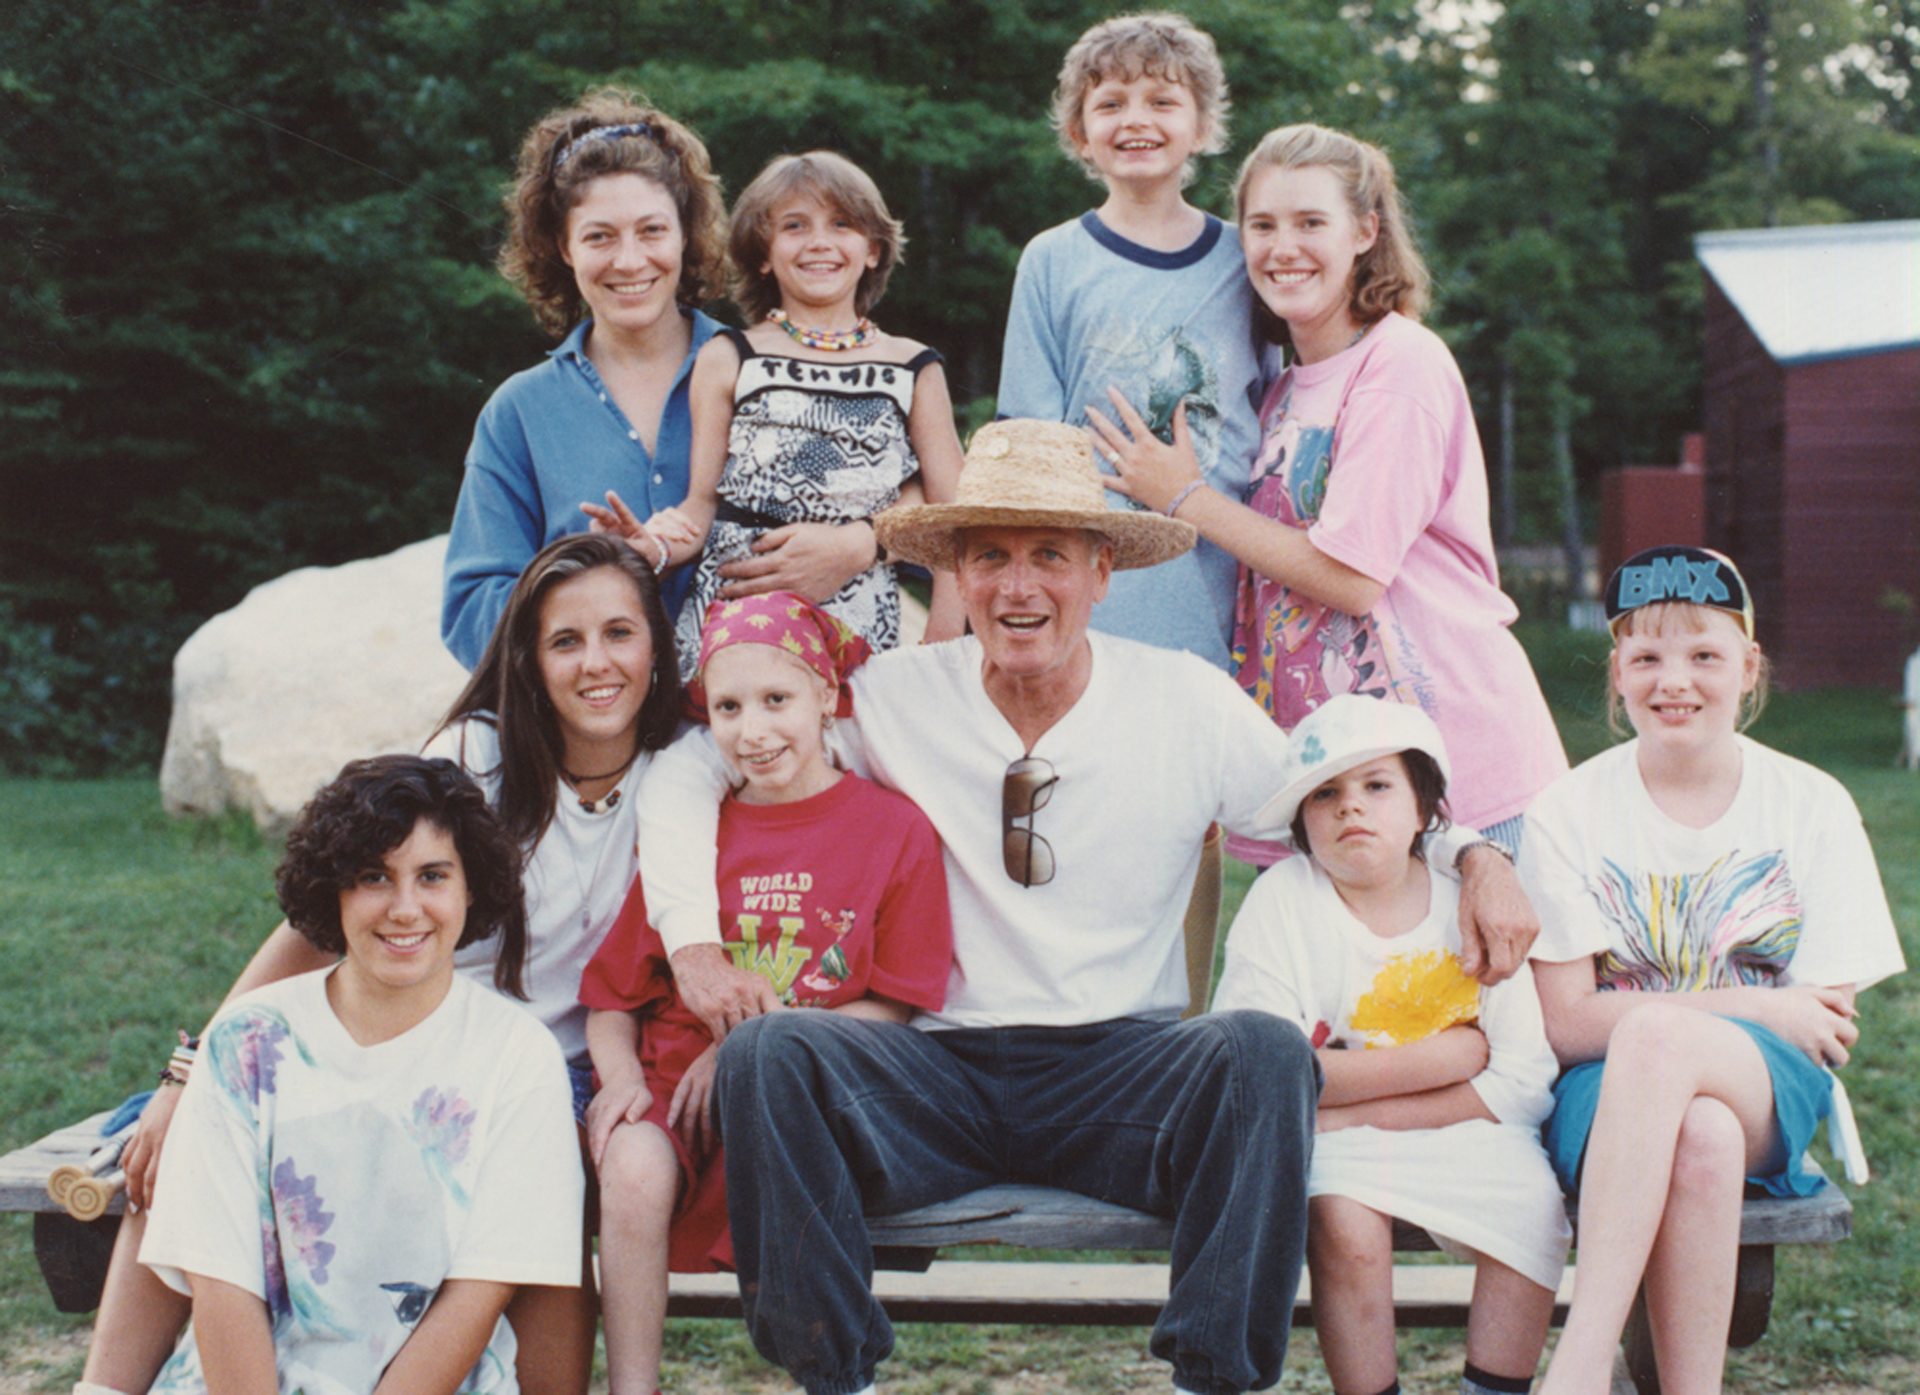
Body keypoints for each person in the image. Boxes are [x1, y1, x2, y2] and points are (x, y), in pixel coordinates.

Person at [637, 420, 1542, 1395]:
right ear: (955, 572)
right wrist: (692, 944)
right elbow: (692, 769)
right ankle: (836, 1377)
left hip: (1122, 1071)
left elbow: (1336, 792)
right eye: (989, 558)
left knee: (1260, 1052)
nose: (1019, 588)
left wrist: (1472, 850)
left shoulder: (1184, 701)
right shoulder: (889, 696)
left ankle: (1214, 1379)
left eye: (1049, 558)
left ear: (1102, 573)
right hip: (933, 1069)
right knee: (774, 1054)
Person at [79, 532, 681, 1395]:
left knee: (532, 1228)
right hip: (408, 1020)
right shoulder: (476, 758)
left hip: (560, 1065)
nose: (596, 662)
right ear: (528, 658)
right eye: (564, 640)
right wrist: (189, 1071)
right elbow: (325, 918)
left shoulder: (688, 766)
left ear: (658, 647)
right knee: (182, 1143)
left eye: (620, 634)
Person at [1090, 122, 1565, 873]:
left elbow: (1351, 576)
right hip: (1353, 785)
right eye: (1263, 225)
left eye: (1312, 222)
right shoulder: (1282, 388)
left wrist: (1183, 495)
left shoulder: (1400, 363)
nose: (1284, 247)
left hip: (1463, 777)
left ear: (1365, 232)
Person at [1521, 546, 1906, 1395]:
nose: (1675, 681)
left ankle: (1577, 1365)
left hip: (1765, 1084)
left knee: (1662, 1037)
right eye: (1648, 656)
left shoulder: (1811, 803)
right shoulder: (1566, 811)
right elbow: (1567, 1023)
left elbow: (1828, 1023)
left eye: (1704, 655)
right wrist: (1756, 1005)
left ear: (1748, 667)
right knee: (1700, 1136)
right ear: (1618, 670)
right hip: (1601, 1093)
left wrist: (1731, 1025)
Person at [580, 591, 952, 1395]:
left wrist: (750, 1052)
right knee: (633, 1168)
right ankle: (631, 1386)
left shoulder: (894, 831)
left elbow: (896, 1003)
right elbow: (612, 998)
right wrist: (621, 1083)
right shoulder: (694, 839)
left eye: (777, 700)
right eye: (727, 707)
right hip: (678, 1098)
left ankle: (834, 1372)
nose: (753, 730)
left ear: (827, 694)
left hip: (811, 1102)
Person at [134, 755, 581, 1394]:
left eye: (432, 876)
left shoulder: (518, 1056)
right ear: (331, 887)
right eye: (374, 876)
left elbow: (478, 1294)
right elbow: (220, 1281)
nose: (405, 908)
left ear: (471, 887)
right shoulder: (246, 1041)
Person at [439, 90, 876, 668]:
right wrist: (593, 587)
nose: (628, 260)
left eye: (651, 231)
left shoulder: (772, 368)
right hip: (595, 734)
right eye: (599, 237)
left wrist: (861, 541)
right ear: (562, 248)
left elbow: (923, 489)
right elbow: (471, 611)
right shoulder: (519, 411)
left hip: (766, 723)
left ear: (686, 235)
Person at [1212, 696, 1567, 1395]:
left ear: (1425, 808)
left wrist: (1338, 1103)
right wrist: (1440, 1060)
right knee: (1343, 1218)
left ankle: (1493, 1387)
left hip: (1468, 1130)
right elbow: (1257, 1068)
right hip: (1339, 1147)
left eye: (1377, 786)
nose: (1351, 808)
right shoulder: (1284, 901)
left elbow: (1522, 1080)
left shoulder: (1467, 902)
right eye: (1325, 794)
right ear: (1300, 821)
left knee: (1532, 1203)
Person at [596, 150, 965, 676]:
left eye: (842, 224)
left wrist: (943, 641)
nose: (819, 242)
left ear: (875, 251)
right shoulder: (729, 357)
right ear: (764, 254)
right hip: (736, 623)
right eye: (795, 226)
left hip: (858, 633)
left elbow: (955, 519)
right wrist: (652, 547)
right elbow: (701, 506)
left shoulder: (912, 367)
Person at [996, 11, 1266, 671]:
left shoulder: (1245, 259)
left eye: (1162, 101)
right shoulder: (1052, 259)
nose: (1136, 119)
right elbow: (1028, 439)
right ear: (1079, 134)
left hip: (1225, 576)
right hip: (1099, 581)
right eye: (1110, 103)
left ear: (1202, 126)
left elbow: (1267, 413)